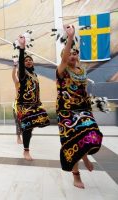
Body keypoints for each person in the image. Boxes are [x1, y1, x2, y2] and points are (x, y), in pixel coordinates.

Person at [56, 25, 103, 189]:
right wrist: (70, 38)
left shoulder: (82, 70)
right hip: (66, 112)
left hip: (83, 109)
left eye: (75, 53)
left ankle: (85, 157)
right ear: (64, 56)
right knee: (72, 143)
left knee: (92, 134)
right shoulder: (62, 70)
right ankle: (76, 176)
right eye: (69, 53)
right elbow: (64, 59)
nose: (72, 55)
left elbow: (84, 90)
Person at [17, 35, 50, 161]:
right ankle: (26, 151)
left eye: (30, 60)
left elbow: (36, 90)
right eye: (26, 60)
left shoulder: (35, 74)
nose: (28, 61)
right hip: (25, 105)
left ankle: (26, 133)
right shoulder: (23, 74)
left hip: (35, 104)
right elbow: (20, 63)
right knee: (27, 128)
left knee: (40, 121)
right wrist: (22, 48)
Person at [11, 64, 22, 144]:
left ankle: (25, 135)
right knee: (18, 121)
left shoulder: (28, 83)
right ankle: (18, 137)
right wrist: (15, 66)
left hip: (26, 105)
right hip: (18, 105)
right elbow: (13, 75)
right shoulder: (17, 82)